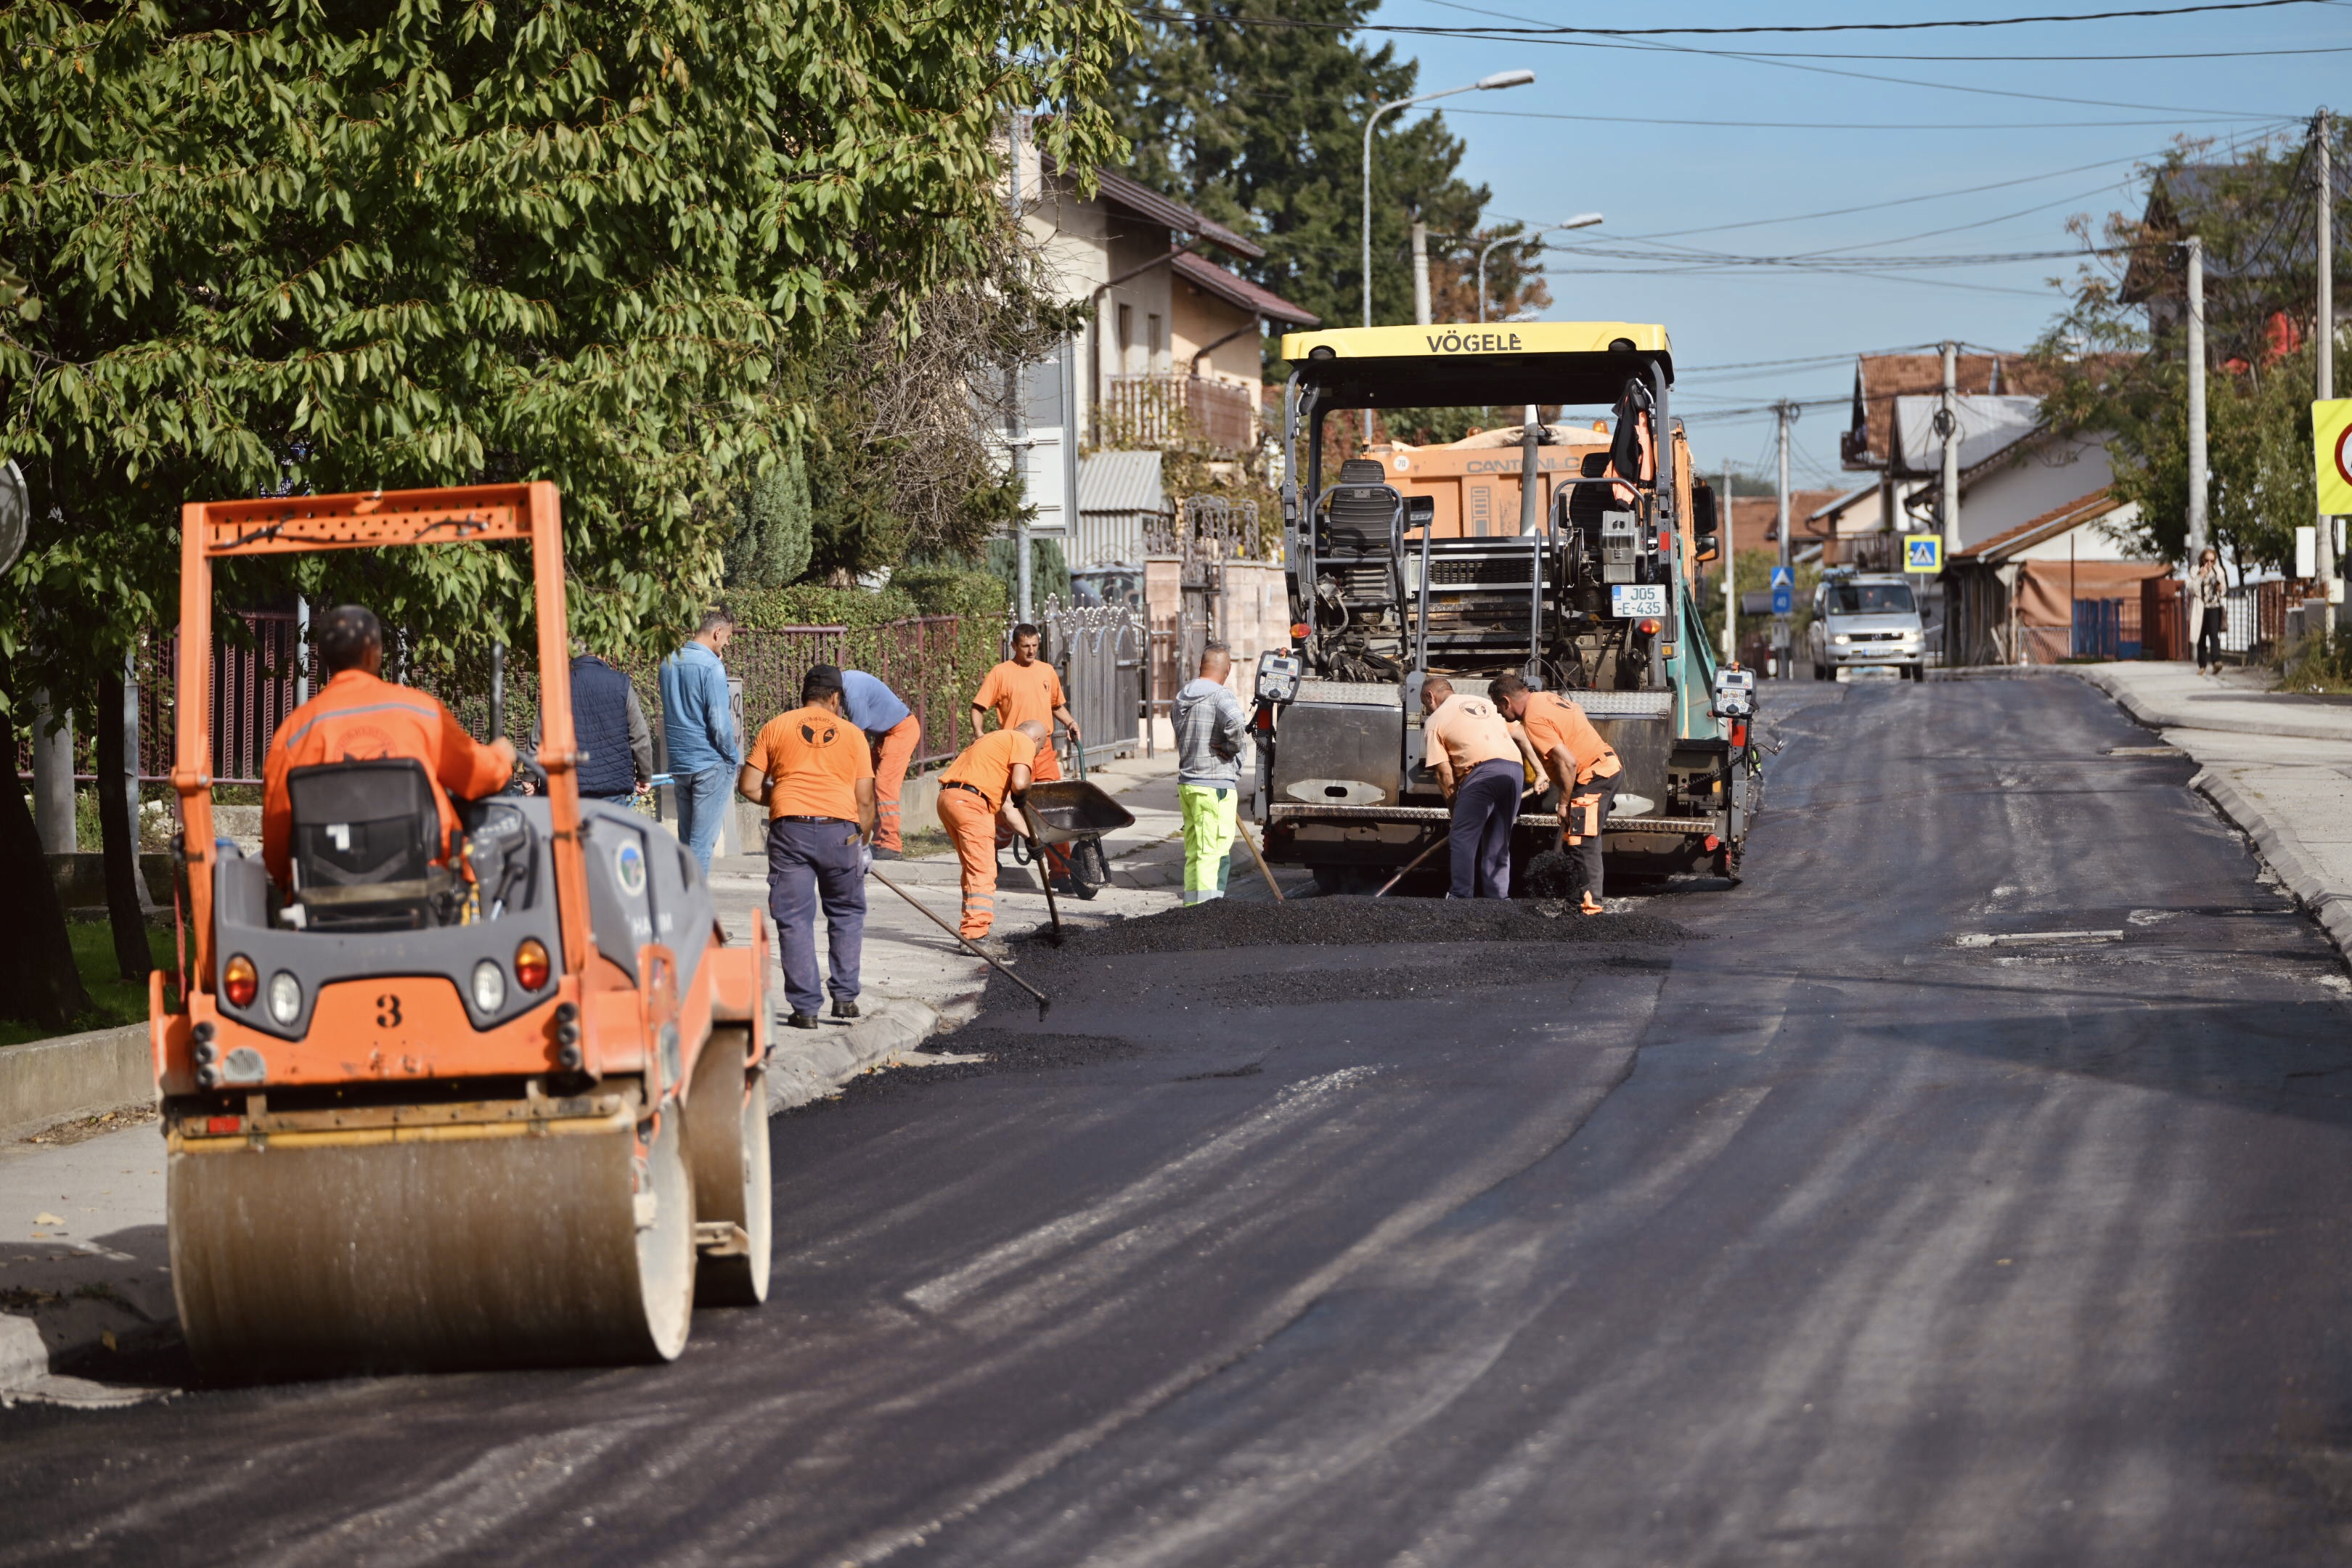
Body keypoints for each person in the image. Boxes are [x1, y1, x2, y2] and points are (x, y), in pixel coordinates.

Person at [261, 605, 516, 889]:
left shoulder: (295, 734)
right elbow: (477, 776)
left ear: (324, 656)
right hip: (427, 889)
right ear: (375, 653)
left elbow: (276, 842)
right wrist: (502, 757)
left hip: (324, 899)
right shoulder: (421, 713)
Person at [738, 664, 874, 1029]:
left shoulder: (776, 726)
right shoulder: (853, 735)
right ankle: (844, 1000)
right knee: (846, 913)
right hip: (840, 833)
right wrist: (863, 844)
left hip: (790, 831)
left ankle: (806, 1010)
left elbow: (749, 786)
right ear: (835, 698)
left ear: (804, 696)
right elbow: (864, 800)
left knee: (794, 919)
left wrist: (785, 799)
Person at [1490, 673, 1620, 915]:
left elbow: (1568, 762)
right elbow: (1577, 709)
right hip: (1599, 770)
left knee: (1583, 841)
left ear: (1506, 702)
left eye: (1499, 708)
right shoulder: (1544, 698)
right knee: (1576, 838)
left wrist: (1563, 804)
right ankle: (1578, 901)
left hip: (1594, 775)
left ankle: (1588, 908)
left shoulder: (1534, 719)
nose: (1500, 713)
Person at [971, 624, 1080, 889]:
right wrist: (979, 734)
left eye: (1035, 645)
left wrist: (1070, 723)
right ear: (1014, 646)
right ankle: (993, 850)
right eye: (1025, 646)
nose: (1031, 651)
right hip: (1014, 754)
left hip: (1043, 754)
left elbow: (1057, 705)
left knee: (1055, 811)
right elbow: (978, 707)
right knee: (1006, 808)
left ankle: (1060, 872)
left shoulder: (1047, 671)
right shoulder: (1001, 673)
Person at [934, 719, 1046, 960]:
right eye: (1041, 749)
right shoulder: (1024, 741)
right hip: (972, 804)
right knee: (984, 870)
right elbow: (1019, 784)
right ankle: (975, 937)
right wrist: (1023, 794)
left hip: (950, 799)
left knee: (973, 869)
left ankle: (972, 930)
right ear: (1036, 739)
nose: (1036, 755)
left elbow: (1006, 808)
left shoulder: (992, 741)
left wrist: (1032, 837)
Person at [1418, 674, 1522, 899]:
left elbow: (1444, 774)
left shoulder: (1435, 721)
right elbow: (1519, 733)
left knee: (1463, 837)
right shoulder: (1484, 703)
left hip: (1482, 774)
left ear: (1431, 696)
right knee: (1498, 841)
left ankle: (1461, 897)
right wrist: (1541, 772)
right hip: (1515, 769)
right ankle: (1498, 899)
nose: (1427, 710)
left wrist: (1456, 813)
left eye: (1426, 705)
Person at [660, 609, 738, 875]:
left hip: (681, 764)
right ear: (718, 632)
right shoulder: (711, 667)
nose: (727, 643)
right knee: (702, 846)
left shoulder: (668, 661)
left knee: (687, 844)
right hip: (709, 764)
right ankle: (695, 910)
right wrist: (732, 756)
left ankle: (683, 902)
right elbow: (719, 721)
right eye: (727, 637)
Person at [1172, 643, 1251, 906]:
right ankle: (1206, 915)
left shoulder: (1182, 696)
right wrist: (1230, 748)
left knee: (1195, 853)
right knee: (1213, 853)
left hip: (1189, 785)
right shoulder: (1221, 696)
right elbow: (1238, 725)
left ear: (1200, 666)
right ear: (1227, 670)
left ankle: (1191, 908)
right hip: (1214, 787)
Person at [536, 641, 651, 804]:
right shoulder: (620, 684)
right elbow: (640, 738)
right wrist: (644, 776)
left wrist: (529, 777)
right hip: (611, 789)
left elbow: (539, 736)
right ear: (602, 653)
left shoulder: (557, 687)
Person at [840, 669, 920, 859]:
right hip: (885, 733)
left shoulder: (853, 693)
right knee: (867, 783)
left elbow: (858, 736)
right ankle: (875, 840)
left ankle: (891, 844)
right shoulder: (846, 683)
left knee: (885, 785)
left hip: (902, 730)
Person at [2194, 547, 2227, 675]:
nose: (2209, 563)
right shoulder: (2195, 570)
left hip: (2214, 607)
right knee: (2201, 637)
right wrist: (2200, 576)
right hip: (2200, 607)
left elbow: (2224, 590)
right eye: (2207, 560)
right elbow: (2191, 588)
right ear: (2202, 559)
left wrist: (2220, 588)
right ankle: (2202, 665)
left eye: (2212, 561)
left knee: (2214, 635)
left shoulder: (2219, 571)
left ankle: (2216, 662)